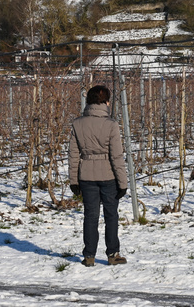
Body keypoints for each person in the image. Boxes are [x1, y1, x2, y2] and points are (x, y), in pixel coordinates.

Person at [69, 85, 128, 267]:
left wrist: (73, 180)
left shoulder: (78, 124)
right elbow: (116, 156)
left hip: (86, 176)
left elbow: (73, 154)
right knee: (111, 215)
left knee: (90, 216)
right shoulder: (111, 125)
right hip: (108, 175)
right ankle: (112, 254)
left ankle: (89, 256)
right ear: (106, 102)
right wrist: (122, 182)